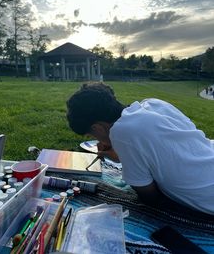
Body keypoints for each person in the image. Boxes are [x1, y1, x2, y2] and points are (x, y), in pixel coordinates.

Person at [66, 83, 214, 215]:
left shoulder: (122, 132)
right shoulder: (154, 104)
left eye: (92, 135)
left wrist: (125, 158)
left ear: (97, 127)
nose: (98, 140)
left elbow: (149, 197)